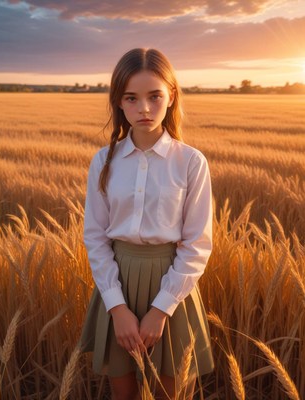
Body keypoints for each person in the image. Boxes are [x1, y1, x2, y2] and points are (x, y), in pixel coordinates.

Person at [79, 48, 215, 400]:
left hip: (171, 288)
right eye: (131, 97)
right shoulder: (104, 161)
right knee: (122, 393)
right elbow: (95, 237)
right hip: (117, 284)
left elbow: (197, 243)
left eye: (155, 96)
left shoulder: (190, 162)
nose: (144, 108)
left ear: (171, 96)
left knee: (167, 394)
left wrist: (161, 310)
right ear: (119, 103)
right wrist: (117, 307)